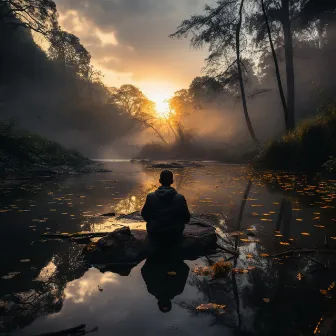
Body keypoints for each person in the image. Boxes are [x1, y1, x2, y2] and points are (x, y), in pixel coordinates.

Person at [141, 170, 190, 245]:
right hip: (174, 234)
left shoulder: (150, 196)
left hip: (155, 233)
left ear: (160, 181)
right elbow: (187, 218)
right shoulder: (180, 198)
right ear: (172, 181)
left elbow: (144, 215)